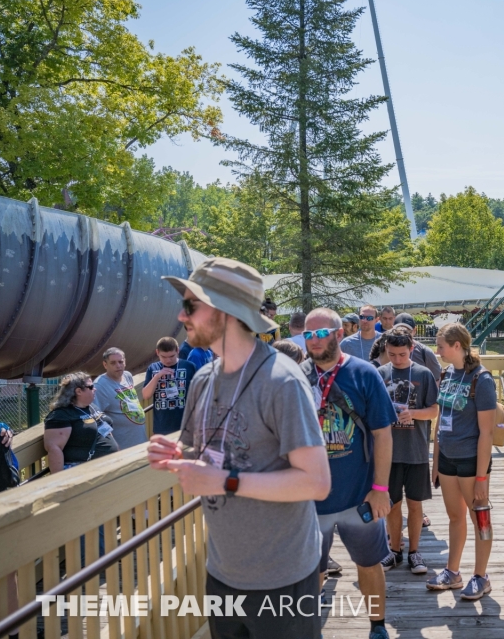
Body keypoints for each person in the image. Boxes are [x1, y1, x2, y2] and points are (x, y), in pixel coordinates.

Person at [147, 257, 330, 639]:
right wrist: (175, 456)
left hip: (283, 579)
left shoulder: (282, 381)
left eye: (190, 305)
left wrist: (224, 481)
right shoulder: (202, 378)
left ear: (224, 310)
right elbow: (204, 453)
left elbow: (316, 482)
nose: (181, 316)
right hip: (222, 573)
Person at [301, 308, 396, 639]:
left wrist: (380, 489)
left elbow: (383, 434)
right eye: (308, 335)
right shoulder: (296, 377)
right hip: (311, 499)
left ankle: (377, 626)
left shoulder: (364, 373)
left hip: (359, 495)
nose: (314, 340)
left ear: (339, 334)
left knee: (368, 564)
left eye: (321, 333)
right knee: (310, 570)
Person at [426, 323, 496, 600]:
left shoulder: (482, 379)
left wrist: (481, 477)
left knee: (480, 520)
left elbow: (487, 433)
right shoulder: (447, 374)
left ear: (457, 346)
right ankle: (452, 572)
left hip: (470, 461)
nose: (438, 351)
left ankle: (481, 576)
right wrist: (435, 462)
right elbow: (441, 422)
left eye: (441, 346)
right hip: (447, 459)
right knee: (455, 517)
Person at [376, 326, 438, 574]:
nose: (397, 359)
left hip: (416, 451)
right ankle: (394, 551)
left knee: (415, 504)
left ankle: (414, 552)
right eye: (392, 354)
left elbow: (434, 410)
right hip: (387, 454)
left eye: (402, 354)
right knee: (392, 505)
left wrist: (412, 413)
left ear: (412, 349)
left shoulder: (423, 374)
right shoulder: (380, 374)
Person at [45, 372, 119, 472]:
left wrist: (116, 452)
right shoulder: (61, 415)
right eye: (91, 387)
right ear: (79, 391)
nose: (95, 389)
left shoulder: (92, 407)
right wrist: (58, 479)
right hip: (83, 470)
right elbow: (54, 448)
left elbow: (106, 432)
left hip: (108, 465)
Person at [94, 348, 147, 449]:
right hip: (122, 447)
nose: (118, 365)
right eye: (113, 363)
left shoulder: (127, 375)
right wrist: (111, 444)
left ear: (125, 362)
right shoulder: (100, 386)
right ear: (105, 365)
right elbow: (95, 419)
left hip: (140, 440)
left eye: (120, 362)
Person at [143, 337, 197, 435]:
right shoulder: (153, 368)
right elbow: (146, 395)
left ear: (177, 351)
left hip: (186, 425)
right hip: (161, 426)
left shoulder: (189, 366)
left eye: (172, 356)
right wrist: (157, 376)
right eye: (163, 357)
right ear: (157, 352)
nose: (168, 360)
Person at [393, 313, 441, 379]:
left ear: (414, 330)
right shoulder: (386, 351)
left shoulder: (425, 352)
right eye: (399, 331)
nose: (403, 334)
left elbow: (437, 378)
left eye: (407, 331)